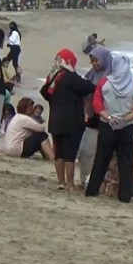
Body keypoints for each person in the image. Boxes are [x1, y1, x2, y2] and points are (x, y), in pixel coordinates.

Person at [85, 53, 133, 202]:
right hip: (127, 127)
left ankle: (92, 190)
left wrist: (108, 117)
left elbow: (97, 103)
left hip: (107, 125)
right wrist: (126, 118)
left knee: (101, 159)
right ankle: (125, 196)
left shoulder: (104, 83)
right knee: (126, 162)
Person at [40, 49, 96, 190]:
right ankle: (70, 183)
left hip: (55, 120)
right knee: (70, 153)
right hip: (71, 121)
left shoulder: (52, 77)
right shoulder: (70, 77)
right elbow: (89, 87)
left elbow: (45, 93)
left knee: (59, 152)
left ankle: (61, 182)